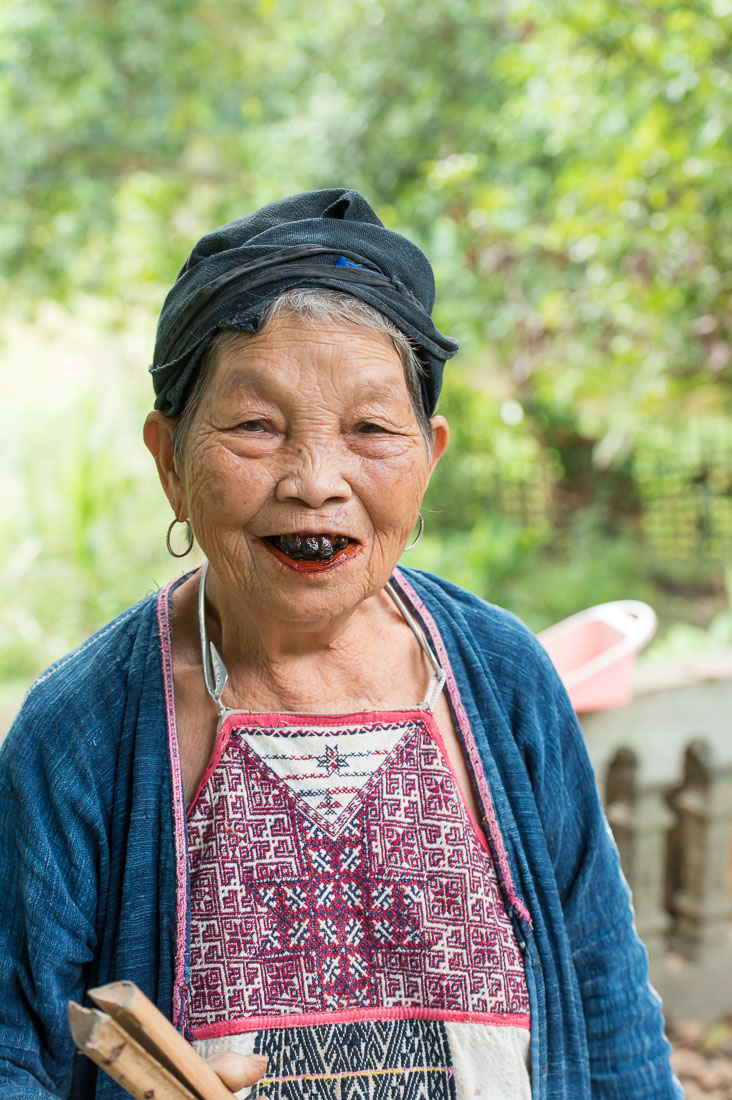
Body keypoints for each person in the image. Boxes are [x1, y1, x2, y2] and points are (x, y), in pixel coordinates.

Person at [0, 188, 681, 1100]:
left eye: (370, 429)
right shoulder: (82, 729)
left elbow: (607, 1010)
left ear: (429, 453)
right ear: (169, 460)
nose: (316, 481)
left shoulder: (505, 678)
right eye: (255, 426)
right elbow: (15, 1055)